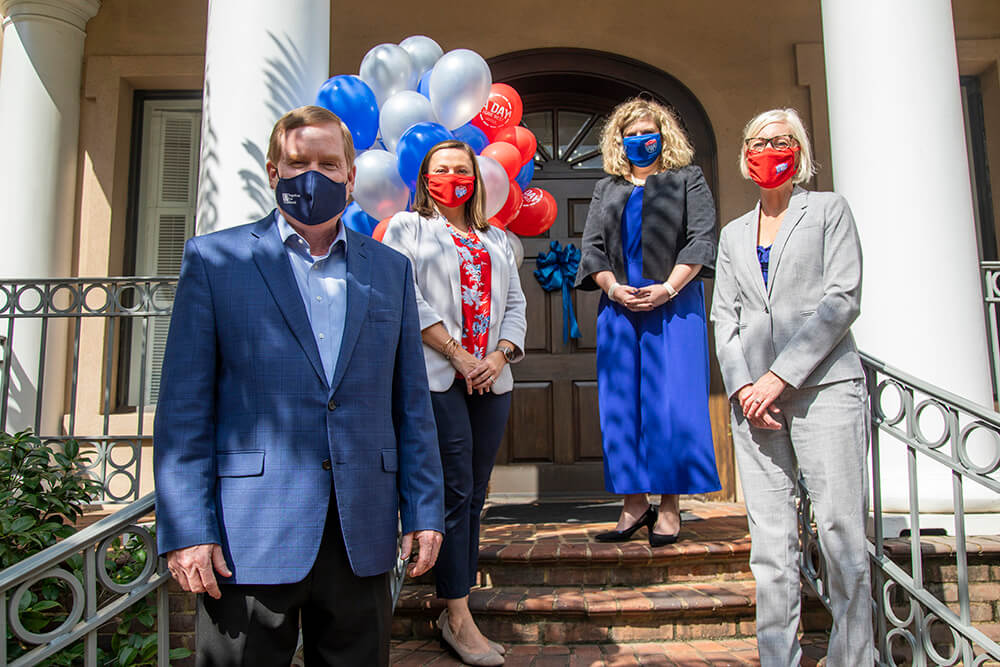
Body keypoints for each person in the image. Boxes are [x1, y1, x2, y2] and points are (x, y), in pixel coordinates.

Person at [153, 105, 445, 667]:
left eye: (328, 163)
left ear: (350, 176)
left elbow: (411, 404)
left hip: (360, 532)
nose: (314, 174)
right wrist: (188, 528)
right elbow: (185, 409)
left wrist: (425, 509)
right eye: (298, 162)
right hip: (246, 536)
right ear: (273, 171)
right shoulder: (214, 260)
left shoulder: (389, 269)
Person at [710, 108, 872, 666]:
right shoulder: (733, 233)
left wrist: (780, 376)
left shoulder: (829, 211)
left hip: (825, 389)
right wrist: (743, 389)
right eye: (757, 141)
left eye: (779, 141)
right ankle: (779, 657)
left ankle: (856, 657)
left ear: (799, 152)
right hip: (754, 405)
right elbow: (723, 319)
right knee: (771, 546)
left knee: (840, 531)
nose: (767, 150)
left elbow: (841, 300)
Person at [383, 139, 526, 666]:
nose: (452, 177)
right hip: (439, 375)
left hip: (493, 379)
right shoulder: (407, 229)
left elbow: (515, 303)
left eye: (461, 170)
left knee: (475, 493)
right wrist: (461, 355)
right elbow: (407, 296)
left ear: (476, 179)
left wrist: (501, 355)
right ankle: (459, 615)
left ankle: (451, 602)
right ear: (426, 179)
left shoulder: (498, 237)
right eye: (441, 170)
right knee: (455, 485)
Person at [575, 97, 721, 547]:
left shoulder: (686, 179)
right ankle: (634, 503)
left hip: (674, 307)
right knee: (622, 406)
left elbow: (701, 239)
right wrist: (614, 289)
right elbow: (593, 249)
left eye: (648, 132)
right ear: (620, 140)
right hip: (620, 309)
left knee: (671, 404)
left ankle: (671, 506)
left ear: (664, 135)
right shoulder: (608, 188)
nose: (641, 140)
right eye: (631, 134)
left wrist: (668, 289)